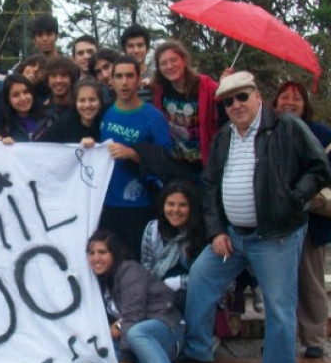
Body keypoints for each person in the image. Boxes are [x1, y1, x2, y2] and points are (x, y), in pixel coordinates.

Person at [182, 71, 330, 363]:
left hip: (275, 236)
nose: (236, 105)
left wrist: (293, 198)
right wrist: (216, 230)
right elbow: (208, 185)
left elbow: (320, 167)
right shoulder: (224, 137)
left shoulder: (287, 127)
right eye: (228, 101)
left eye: (242, 96)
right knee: (200, 278)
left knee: (279, 305)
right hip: (233, 236)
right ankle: (197, 348)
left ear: (257, 95)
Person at [274, 80, 331, 359]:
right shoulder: (266, 132)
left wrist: (309, 178)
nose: (289, 102)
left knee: (310, 281)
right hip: (278, 222)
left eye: (296, 98)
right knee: (278, 284)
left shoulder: (322, 134)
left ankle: (313, 338)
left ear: (305, 104)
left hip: (312, 220)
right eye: (284, 97)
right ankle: (280, 338)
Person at [86, 230, 193, 363]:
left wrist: (126, 357)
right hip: (141, 342)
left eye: (102, 252)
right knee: (96, 338)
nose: (96, 258)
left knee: (136, 332)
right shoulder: (102, 280)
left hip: (168, 330)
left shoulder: (129, 270)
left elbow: (133, 315)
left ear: (115, 253)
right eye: (92, 253)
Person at [98, 55, 173, 259]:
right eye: (119, 76)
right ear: (111, 81)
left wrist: (134, 154)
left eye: (129, 76)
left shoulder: (154, 117)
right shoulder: (104, 113)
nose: (124, 82)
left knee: (136, 268)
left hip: (140, 206)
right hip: (106, 205)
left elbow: (166, 162)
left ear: (139, 78)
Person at [151, 39, 224, 181]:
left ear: (184, 61)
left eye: (174, 60)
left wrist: (226, 86)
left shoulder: (206, 87)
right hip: (176, 167)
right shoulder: (159, 91)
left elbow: (222, 112)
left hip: (205, 166)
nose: (169, 66)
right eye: (163, 63)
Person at [140, 179, 205, 313]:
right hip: (160, 292)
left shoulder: (203, 232)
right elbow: (147, 267)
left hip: (196, 292)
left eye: (182, 205)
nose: (175, 210)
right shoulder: (153, 230)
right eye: (170, 204)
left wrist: (176, 282)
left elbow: (209, 276)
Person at [35, 77, 106, 144]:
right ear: (75, 103)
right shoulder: (62, 124)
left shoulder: (108, 122)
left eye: (92, 100)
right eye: (82, 100)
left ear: (100, 102)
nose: (87, 105)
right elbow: (41, 146)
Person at [0, 73, 45, 143]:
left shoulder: (49, 119)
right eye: (16, 95)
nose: (23, 98)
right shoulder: (2, 127)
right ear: (8, 99)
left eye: (26, 92)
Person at [119, 25, 153, 103]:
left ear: (147, 49)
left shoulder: (156, 76)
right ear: (124, 50)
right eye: (131, 46)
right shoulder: (118, 78)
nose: (136, 50)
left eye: (140, 45)